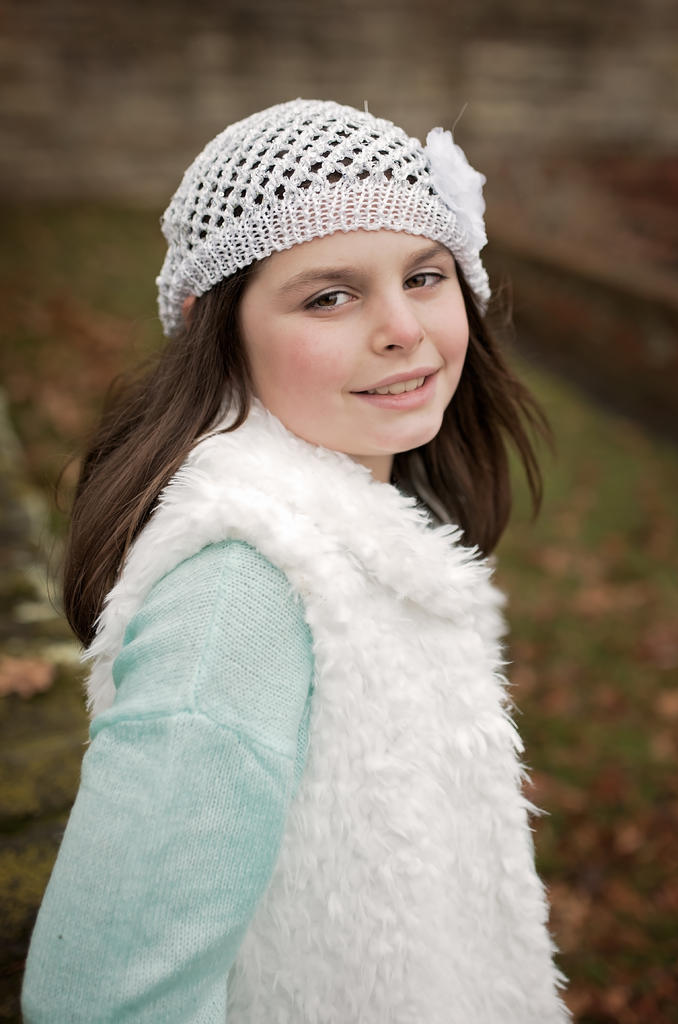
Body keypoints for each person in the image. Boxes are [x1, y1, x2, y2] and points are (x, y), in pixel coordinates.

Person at [22, 99, 570, 1022]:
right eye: (329, 296)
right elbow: (106, 998)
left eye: (424, 276)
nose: (403, 328)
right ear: (216, 327)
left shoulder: (371, 529)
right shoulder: (239, 595)